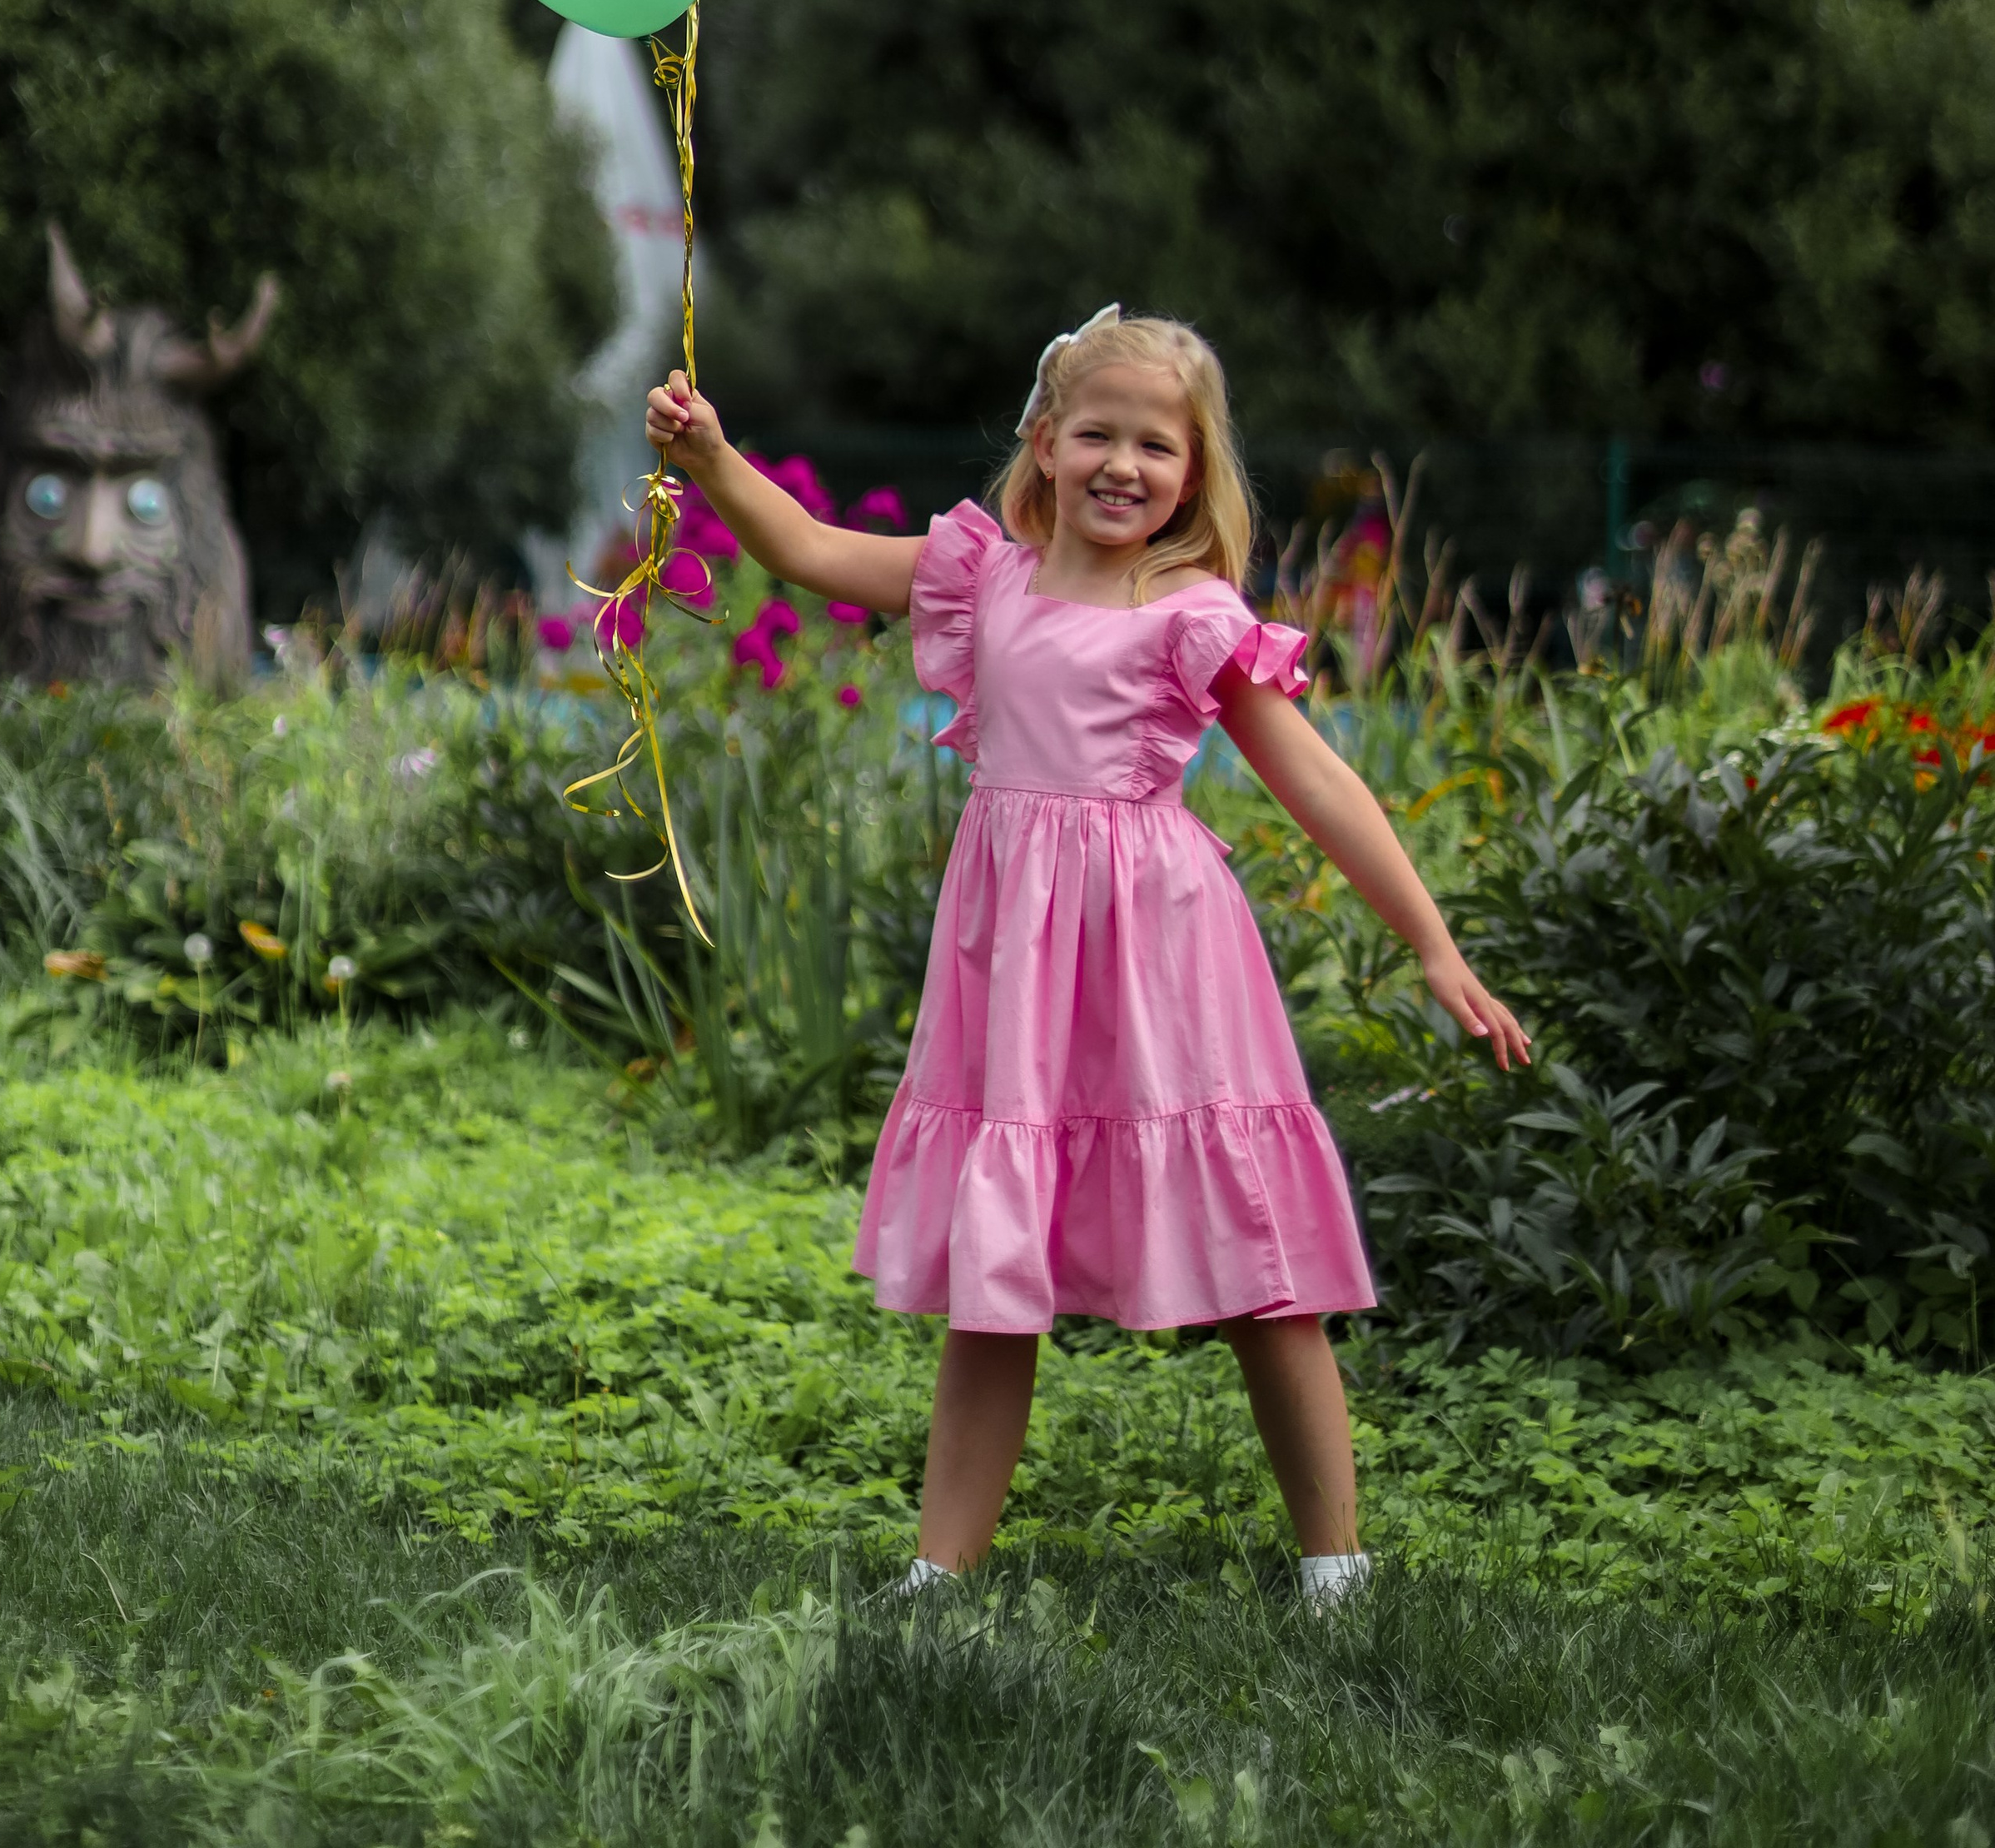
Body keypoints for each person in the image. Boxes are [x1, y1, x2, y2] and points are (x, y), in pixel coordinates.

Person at [644, 307, 1530, 1606]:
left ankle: (1339, 1571)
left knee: (1259, 1264)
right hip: (1018, 970)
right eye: (1097, 435)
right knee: (995, 1274)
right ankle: (939, 1577)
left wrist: (1437, 949)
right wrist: (717, 462)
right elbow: (818, 553)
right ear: (1046, 445)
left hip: (1165, 965)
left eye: (1156, 446)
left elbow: (1322, 785)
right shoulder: (985, 574)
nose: (1124, 465)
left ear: (1193, 470)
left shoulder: (1192, 614)